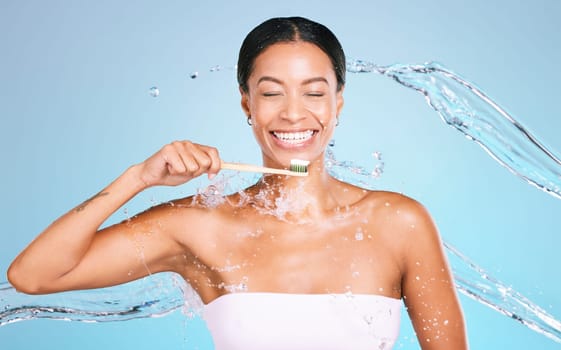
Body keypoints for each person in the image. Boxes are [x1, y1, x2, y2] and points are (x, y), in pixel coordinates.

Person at [7, 16, 468, 350]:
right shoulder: (199, 225)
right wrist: (138, 179)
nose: (292, 113)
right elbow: (34, 275)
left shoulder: (399, 222)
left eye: (313, 92)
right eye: (270, 92)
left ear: (338, 104)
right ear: (246, 103)